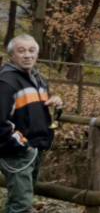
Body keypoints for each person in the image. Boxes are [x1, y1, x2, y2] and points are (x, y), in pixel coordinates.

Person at [0, 34, 63, 213]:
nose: (27, 55)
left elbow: (37, 109)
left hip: (35, 149)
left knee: (23, 201)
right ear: (12, 55)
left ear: (37, 53)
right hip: (17, 152)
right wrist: (22, 145)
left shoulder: (38, 79)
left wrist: (56, 102)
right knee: (20, 205)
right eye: (21, 51)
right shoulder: (6, 82)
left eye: (31, 50)